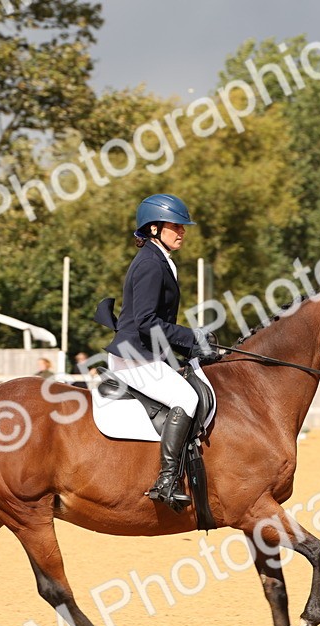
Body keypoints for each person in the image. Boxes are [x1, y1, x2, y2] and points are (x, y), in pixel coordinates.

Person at [101, 193, 217, 511]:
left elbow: (159, 324)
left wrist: (191, 349)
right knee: (187, 398)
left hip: (146, 352)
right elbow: (147, 322)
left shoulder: (161, 260)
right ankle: (165, 481)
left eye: (183, 227)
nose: (182, 231)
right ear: (153, 229)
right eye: (175, 226)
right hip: (133, 356)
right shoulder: (151, 264)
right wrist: (193, 338)